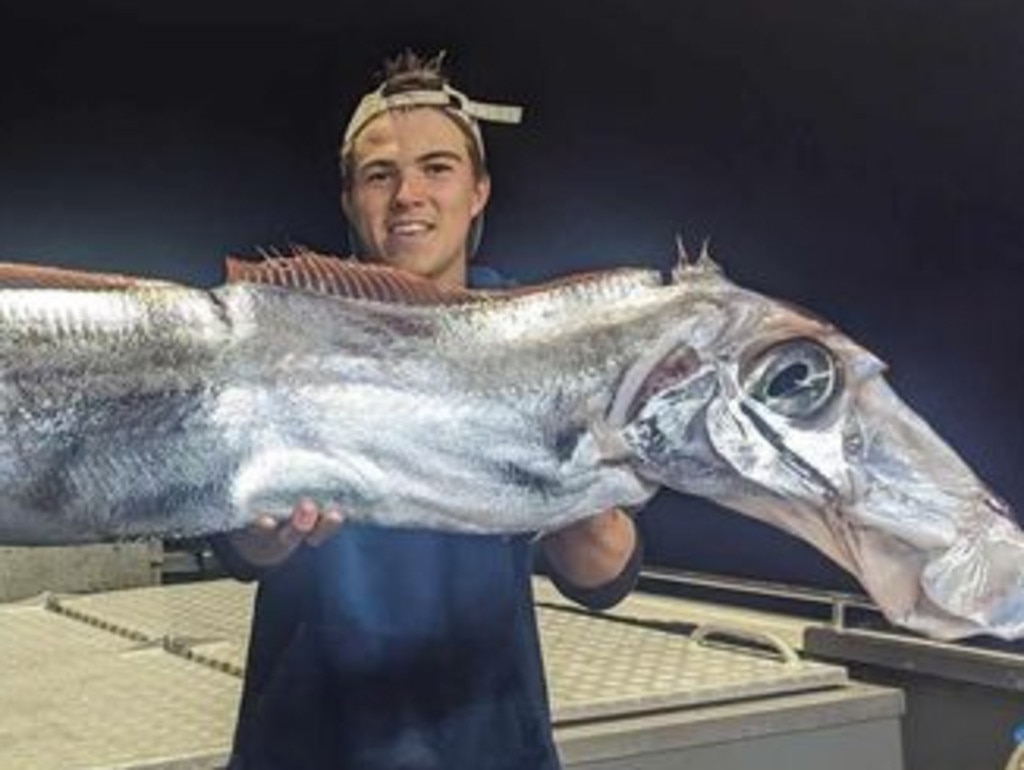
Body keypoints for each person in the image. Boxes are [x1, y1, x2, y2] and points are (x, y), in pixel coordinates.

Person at [213, 51, 643, 770]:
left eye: (437, 168)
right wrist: (268, 528)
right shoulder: (283, 335)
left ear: (478, 192)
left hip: (487, 746)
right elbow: (241, 549)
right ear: (350, 199)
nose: (409, 193)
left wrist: (581, 491)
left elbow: (603, 576)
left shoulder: (540, 336)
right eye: (380, 175)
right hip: (307, 747)